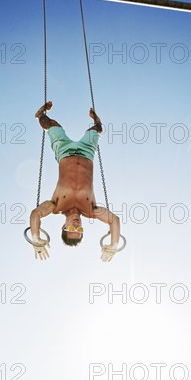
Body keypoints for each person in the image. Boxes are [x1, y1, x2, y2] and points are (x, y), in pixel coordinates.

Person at [29, 101, 121, 262]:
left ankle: (41, 114)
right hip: (87, 152)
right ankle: (96, 120)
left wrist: (36, 238)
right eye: (79, 229)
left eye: (71, 228)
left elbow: (36, 214)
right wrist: (113, 244)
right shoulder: (91, 210)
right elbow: (114, 220)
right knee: (99, 129)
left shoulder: (55, 205)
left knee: (50, 124)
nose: (76, 225)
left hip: (64, 151)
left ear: (63, 227)